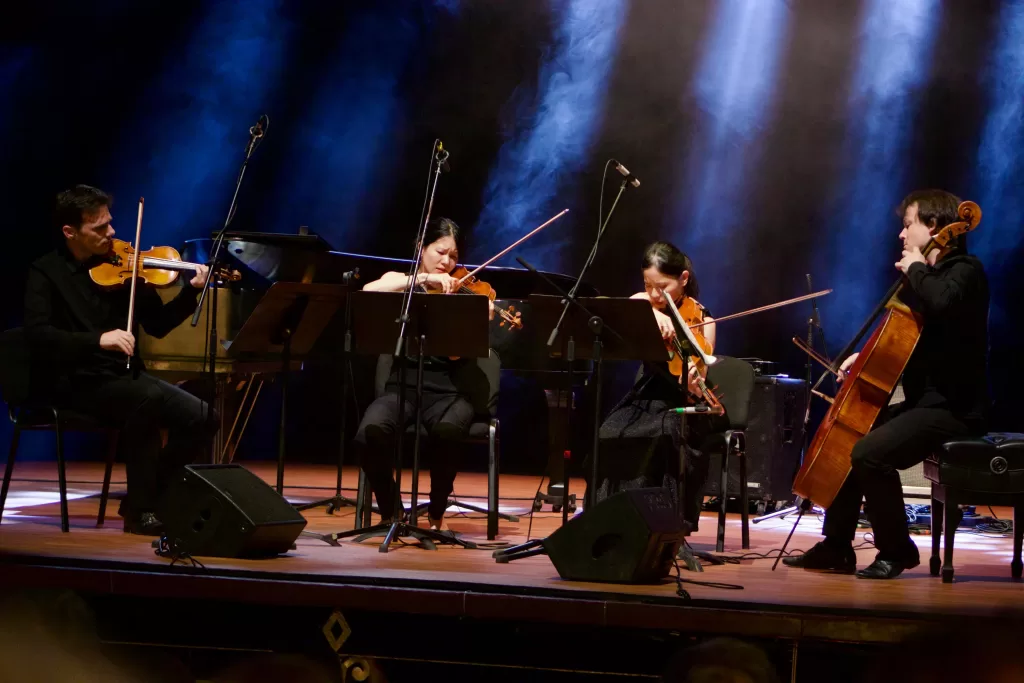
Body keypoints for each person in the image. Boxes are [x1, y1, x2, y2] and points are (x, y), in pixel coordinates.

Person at [784, 189, 989, 579]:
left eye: (908, 224)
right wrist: (860, 358)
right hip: (924, 404)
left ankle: (897, 550)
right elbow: (904, 338)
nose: (901, 234)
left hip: (956, 409)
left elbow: (944, 304)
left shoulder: (966, 271)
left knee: (869, 454)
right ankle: (837, 546)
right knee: (850, 441)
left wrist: (916, 268)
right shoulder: (926, 278)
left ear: (933, 226)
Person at [24, 185, 218, 535]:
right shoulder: (45, 273)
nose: (112, 233)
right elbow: (38, 336)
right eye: (99, 228)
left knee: (203, 417)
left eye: (109, 223)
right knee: (146, 398)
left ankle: (147, 495)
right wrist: (97, 339)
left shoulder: (123, 266)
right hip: (73, 383)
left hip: (119, 378)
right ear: (70, 232)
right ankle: (141, 513)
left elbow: (157, 326)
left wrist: (191, 292)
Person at [354, 217, 496, 531]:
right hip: (402, 386)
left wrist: (474, 317)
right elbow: (369, 290)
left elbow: (457, 353)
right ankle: (391, 507)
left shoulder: (468, 292)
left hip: (451, 389)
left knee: (447, 432)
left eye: (454, 256)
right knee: (369, 433)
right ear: (422, 247)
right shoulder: (402, 279)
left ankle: (436, 511)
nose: (447, 261)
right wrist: (420, 280)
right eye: (440, 252)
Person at [594, 241, 719, 531]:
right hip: (646, 394)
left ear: (683, 279)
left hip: (683, 402)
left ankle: (663, 524)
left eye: (661, 286)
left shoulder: (703, 318)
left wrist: (691, 374)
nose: (654, 293)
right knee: (610, 431)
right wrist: (657, 313)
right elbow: (634, 301)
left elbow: (701, 363)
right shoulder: (647, 304)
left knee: (663, 436)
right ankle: (613, 519)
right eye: (648, 284)